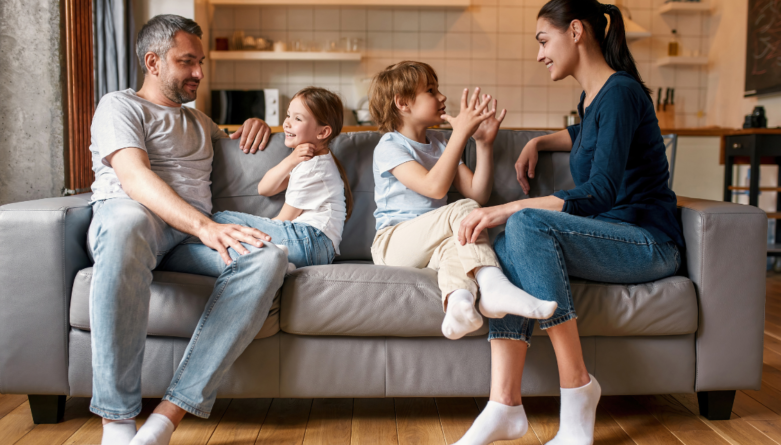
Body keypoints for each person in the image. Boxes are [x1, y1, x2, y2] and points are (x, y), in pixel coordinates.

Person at [453, 1, 684, 444]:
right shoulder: (594, 98)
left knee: (525, 224)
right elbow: (585, 133)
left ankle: (577, 389)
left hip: (649, 241)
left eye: (544, 40)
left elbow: (600, 193)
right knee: (510, 242)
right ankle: (503, 403)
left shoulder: (621, 93)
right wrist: (539, 140)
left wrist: (506, 208)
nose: (540, 54)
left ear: (575, 31)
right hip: (614, 236)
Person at [87, 14, 288, 445]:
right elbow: (134, 180)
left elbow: (240, 144)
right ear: (153, 62)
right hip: (130, 222)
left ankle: (164, 419)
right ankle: (117, 424)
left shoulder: (200, 123)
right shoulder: (119, 106)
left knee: (268, 255)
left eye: (200, 62)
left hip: (183, 240)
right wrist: (207, 227)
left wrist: (256, 126)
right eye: (186, 62)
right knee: (128, 219)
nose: (198, 72)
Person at [368, 61, 558, 341]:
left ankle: (459, 305)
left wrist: (483, 144)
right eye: (431, 91)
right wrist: (459, 134)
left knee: (461, 238)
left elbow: (477, 193)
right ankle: (493, 284)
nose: (442, 97)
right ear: (403, 103)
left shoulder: (439, 143)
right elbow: (433, 188)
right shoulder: (390, 145)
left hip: (429, 246)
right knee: (467, 213)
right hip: (393, 243)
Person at [215, 87, 352, 269]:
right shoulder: (307, 162)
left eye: (297, 118)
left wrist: (250, 232)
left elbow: (283, 219)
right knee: (226, 230)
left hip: (309, 241)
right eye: (288, 115)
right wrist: (290, 160)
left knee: (221, 220)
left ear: (322, 132)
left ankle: (272, 259)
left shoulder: (314, 168)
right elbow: (264, 189)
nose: (286, 123)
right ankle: (275, 262)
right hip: (313, 245)